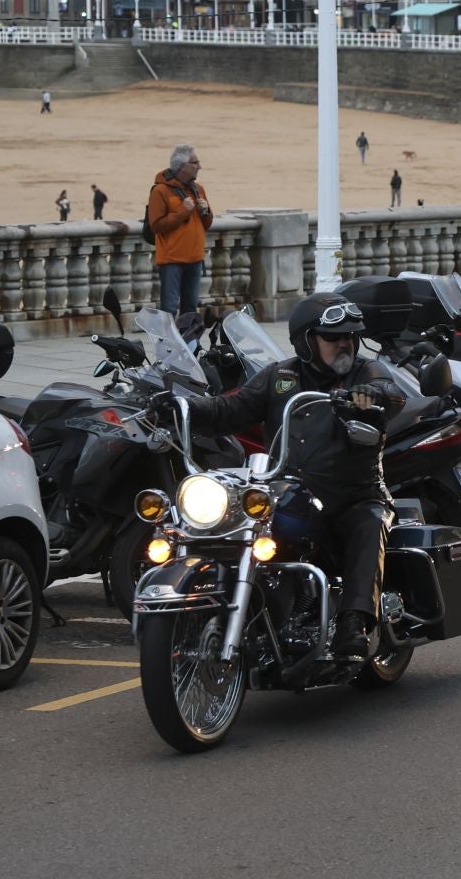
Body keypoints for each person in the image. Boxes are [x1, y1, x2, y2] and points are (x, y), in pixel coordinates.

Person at [161, 293, 405, 660]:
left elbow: (391, 392)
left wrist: (370, 395)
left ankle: (356, 622)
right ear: (307, 341)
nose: (345, 344)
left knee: (369, 523)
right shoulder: (280, 377)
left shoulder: (365, 373)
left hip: (353, 494)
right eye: (333, 336)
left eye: (351, 337)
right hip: (288, 492)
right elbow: (230, 409)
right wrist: (181, 405)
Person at [147, 143, 213, 316]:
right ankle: (168, 344)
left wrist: (205, 212)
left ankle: (189, 343)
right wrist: (182, 211)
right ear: (183, 167)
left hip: (195, 259)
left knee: (190, 309)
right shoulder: (160, 191)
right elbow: (156, 225)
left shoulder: (198, 190)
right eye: (195, 162)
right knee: (169, 309)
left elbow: (206, 225)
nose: (200, 166)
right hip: (171, 260)